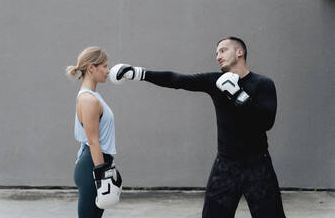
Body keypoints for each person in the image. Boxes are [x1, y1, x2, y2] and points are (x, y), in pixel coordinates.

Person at [109, 37, 286, 218]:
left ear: (239, 52)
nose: (218, 56)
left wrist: (238, 95)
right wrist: (139, 73)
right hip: (225, 165)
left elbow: (267, 122)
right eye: (216, 53)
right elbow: (177, 80)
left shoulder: (263, 83)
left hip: (257, 165)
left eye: (223, 50)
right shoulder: (214, 81)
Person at [66, 46, 122, 218]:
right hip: (92, 166)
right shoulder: (88, 99)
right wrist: (101, 176)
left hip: (97, 163)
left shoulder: (93, 96)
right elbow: (93, 141)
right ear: (91, 68)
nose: (108, 70)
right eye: (104, 66)